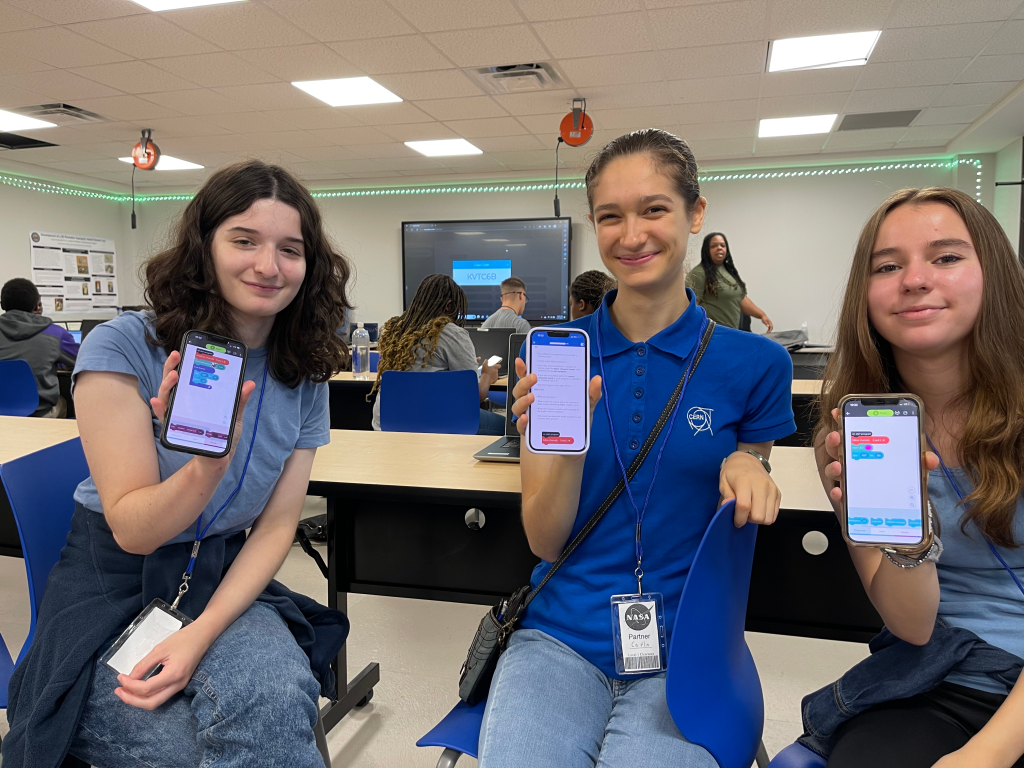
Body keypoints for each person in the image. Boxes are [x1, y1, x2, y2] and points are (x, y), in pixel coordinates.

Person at [2, 160, 352, 768]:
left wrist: (201, 633)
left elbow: (273, 528)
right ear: (204, 247)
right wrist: (204, 469)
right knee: (182, 750)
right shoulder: (123, 347)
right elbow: (135, 530)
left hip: (220, 573)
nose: (268, 266)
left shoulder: (305, 367)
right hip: (114, 579)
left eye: (290, 249)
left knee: (276, 703)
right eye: (244, 240)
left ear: (310, 265)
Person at [477, 129, 796, 768]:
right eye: (609, 216)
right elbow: (544, 541)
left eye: (653, 209)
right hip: (558, 637)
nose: (632, 234)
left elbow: (751, 475)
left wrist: (745, 461)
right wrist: (563, 450)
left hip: (690, 642)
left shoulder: (756, 363)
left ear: (695, 213)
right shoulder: (557, 358)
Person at [812, 187, 1024, 768]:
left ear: (994, 273)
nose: (914, 280)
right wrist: (909, 543)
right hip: (939, 672)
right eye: (888, 266)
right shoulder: (852, 433)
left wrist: (982, 756)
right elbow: (912, 623)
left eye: (947, 257)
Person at [371, 273, 504, 436]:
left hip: (388, 423)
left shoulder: (395, 331)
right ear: (449, 306)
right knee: (510, 427)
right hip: (442, 423)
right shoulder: (452, 333)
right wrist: (486, 375)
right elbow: (474, 398)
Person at [0, 277, 78, 417]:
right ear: (37, 306)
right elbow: (84, 360)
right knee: (62, 401)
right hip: (39, 412)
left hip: (2, 413)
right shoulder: (55, 333)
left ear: (2, 305)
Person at [686, 232, 773, 332]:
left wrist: (762, 315)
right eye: (714, 246)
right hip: (712, 334)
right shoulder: (698, 273)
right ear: (706, 250)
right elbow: (691, 308)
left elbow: (740, 299)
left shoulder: (728, 271)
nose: (719, 248)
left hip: (731, 332)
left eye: (722, 245)